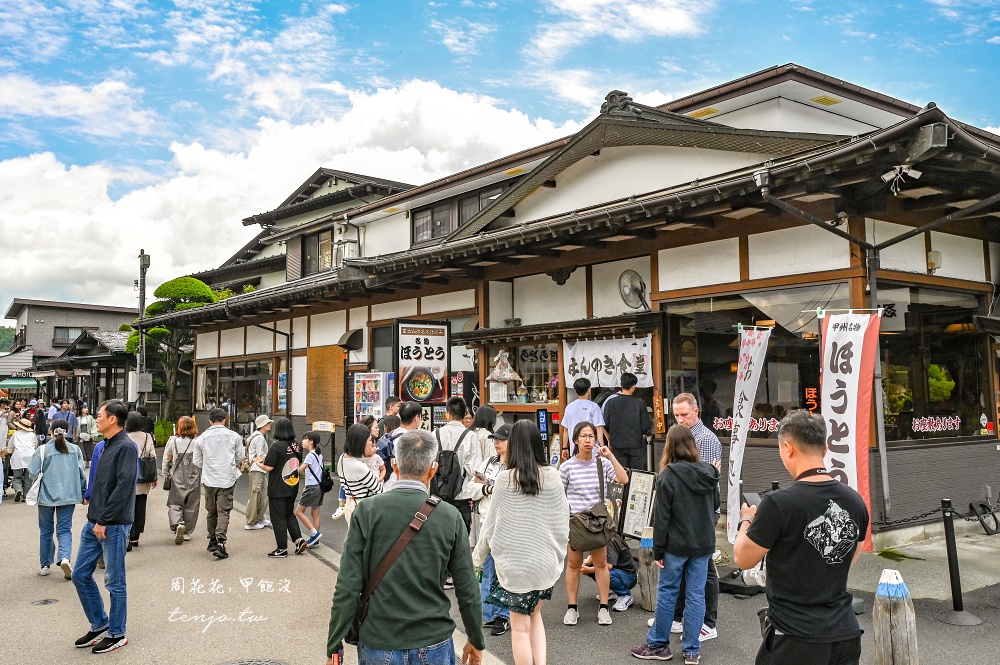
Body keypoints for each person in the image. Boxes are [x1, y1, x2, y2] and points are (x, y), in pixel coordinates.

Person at [326, 429, 485, 665]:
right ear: (434, 468)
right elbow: (467, 587)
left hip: (378, 640)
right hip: (433, 640)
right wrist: (475, 638)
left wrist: (334, 644)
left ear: (394, 466)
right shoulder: (449, 516)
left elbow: (348, 585)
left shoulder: (367, 511)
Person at [734, 410, 869, 665]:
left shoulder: (779, 504)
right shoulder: (855, 501)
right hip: (844, 632)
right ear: (826, 448)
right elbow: (847, 559)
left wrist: (746, 520)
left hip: (795, 636)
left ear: (787, 448)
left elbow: (742, 559)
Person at [474, 421, 569, 664]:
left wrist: (477, 559)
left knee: (519, 627)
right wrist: (556, 557)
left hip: (514, 566)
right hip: (544, 564)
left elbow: (490, 527)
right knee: (536, 617)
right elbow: (562, 523)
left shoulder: (505, 480)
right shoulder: (553, 477)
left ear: (514, 446)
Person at [631, 425, 719, 664]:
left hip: (676, 546)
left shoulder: (668, 475)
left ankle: (659, 645)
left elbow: (662, 518)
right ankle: (692, 650)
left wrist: (658, 550)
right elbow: (714, 507)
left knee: (668, 592)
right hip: (702, 545)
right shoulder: (709, 472)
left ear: (669, 446)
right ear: (692, 444)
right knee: (696, 595)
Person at [71, 399, 137, 654]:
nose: (96, 418)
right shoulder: (105, 445)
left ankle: (117, 633)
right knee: (80, 574)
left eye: (99, 415)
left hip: (113, 524)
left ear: (112, 419)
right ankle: (100, 624)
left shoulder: (126, 447)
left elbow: (124, 487)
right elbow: (101, 484)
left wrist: (103, 520)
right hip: (95, 521)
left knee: (115, 581)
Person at [560, 421, 629, 627]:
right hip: (575, 522)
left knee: (600, 564)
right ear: (575, 440)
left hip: (598, 521)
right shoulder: (566, 467)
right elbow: (558, 498)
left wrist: (610, 455)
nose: (588, 440)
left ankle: (604, 608)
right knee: (573, 565)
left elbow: (623, 479)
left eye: (591, 436)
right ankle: (572, 607)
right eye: (583, 436)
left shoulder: (602, 463)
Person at [669, 392, 723, 642]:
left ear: (696, 411)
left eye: (684, 414)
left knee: (706, 565)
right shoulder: (680, 435)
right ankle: (679, 617)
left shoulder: (708, 439)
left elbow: (708, 481)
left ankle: (709, 622)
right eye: (676, 415)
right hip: (683, 509)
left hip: (703, 510)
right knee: (679, 562)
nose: (680, 419)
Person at [28, 418, 87, 578]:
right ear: (67, 432)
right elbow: (82, 474)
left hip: (46, 496)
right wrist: (83, 492)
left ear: (51, 432)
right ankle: (65, 557)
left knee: (46, 530)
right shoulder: (75, 450)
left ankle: (45, 565)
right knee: (64, 529)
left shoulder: (43, 450)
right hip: (69, 495)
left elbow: (32, 472)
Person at [470, 421, 511, 637]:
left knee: (501, 570)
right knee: (485, 568)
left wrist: (490, 487)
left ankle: (503, 615)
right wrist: (488, 487)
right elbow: (470, 487)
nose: (496, 442)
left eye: (501, 439)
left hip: (507, 523)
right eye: (495, 439)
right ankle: (489, 613)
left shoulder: (517, 466)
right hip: (487, 521)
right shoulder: (488, 463)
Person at [192, 407, 244, 560]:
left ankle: (212, 540)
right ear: (224, 420)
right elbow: (240, 457)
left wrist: (209, 466)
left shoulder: (201, 439)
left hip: (209, 479)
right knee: (224, 511)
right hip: (227, 479)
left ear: (210, 421)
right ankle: (221, 543)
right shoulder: (234, 436)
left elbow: (197, 461)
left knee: (211, 511)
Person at [255, 417, 307, 558]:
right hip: (292, 485)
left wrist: (258, 463)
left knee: (278, 518)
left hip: (278, 487)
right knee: (289, 514)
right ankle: (298, 539)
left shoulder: (276, 446)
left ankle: (282, 548)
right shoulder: (297, 445)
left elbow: (269, 466)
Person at [433, 395, 481, 533]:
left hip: (437, 496)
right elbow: (475, 469)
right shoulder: (470, 436)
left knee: (438, 535)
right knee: (460, 537)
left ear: (447, 415)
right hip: (462, 497)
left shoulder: (434, 434)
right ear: (464, 415)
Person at [337, 423, 384, 531]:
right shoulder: (358, 466)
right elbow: (380, 491)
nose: (371, 443)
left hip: (351, 505)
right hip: (364, 508)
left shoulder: (342, 458)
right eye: (369, 440)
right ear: (361, 443)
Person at [163, 416, 201, 545]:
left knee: (174, 502)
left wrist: (165, 474)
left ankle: (177, 523)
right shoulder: (197, 442)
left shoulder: (173, 442)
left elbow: (167, 459)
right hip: (193, 476)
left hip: (177, 475)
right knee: (192, 504)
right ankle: (187, 532)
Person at [602, 372, 652, 471]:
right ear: (633, 387)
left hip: (617, 444)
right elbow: (645, 426)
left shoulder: (611, 402)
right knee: (636, 472)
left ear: (621, 385)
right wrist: (646, 433)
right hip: (635, 444)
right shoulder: (639, 404)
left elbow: (606, 424)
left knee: (620, 471)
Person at [582, 533, 637, 612]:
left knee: (606, 574)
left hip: (629, 576)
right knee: (593, 568)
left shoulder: (610, 542)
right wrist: (585, 564)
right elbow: (592, 556)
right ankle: (615, 591)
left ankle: (625, 595)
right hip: (618, 573)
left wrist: (588, 570)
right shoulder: (598, 540)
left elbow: (608, 566)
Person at [125, 411, 156, 550]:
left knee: (127, 506)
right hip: (144, 474)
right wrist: (154, 477)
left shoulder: (124, 437)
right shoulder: (147, 436)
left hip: (128, 474)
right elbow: (152, 454)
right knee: (140, 505)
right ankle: (136, 537)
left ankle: (128, 533)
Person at [560, 379, 607, 461]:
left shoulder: (569, 407)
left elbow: (566, 430)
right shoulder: (593, 406)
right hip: (592, 449)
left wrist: (564, 447)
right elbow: (598, 429)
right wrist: (602, 447)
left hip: (575, 447)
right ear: (589, 390)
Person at [294, 431, 325, 548]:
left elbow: (299, 471)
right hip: (320, 487)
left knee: (298, 511)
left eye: (305, 439)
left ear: (311, 442)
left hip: (311, 487)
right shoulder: (319, 455)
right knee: (315, 513)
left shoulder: (310, 455)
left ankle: (314, 533)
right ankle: (315, 540)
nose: (302, 441)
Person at [245, 414, 273, 530]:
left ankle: (259, 517)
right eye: (268, 423)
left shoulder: (256, 437)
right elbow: (261, 456)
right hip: (258, 469)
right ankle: (251, 522)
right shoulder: (260, 438)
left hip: (257, 469)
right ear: (262, 425)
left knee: (263, 494)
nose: (270, 425)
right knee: (257, 495)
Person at [6, 417, 38, 502]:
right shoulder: (32, 435)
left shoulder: (15, 434)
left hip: (18, 456)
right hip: (30, 457)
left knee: (17, 477)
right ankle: (26, 496)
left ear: (20, 426)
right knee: (28, 478)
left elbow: (10, 447)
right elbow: (35, 446)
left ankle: (18, 489)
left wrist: (8, 452)